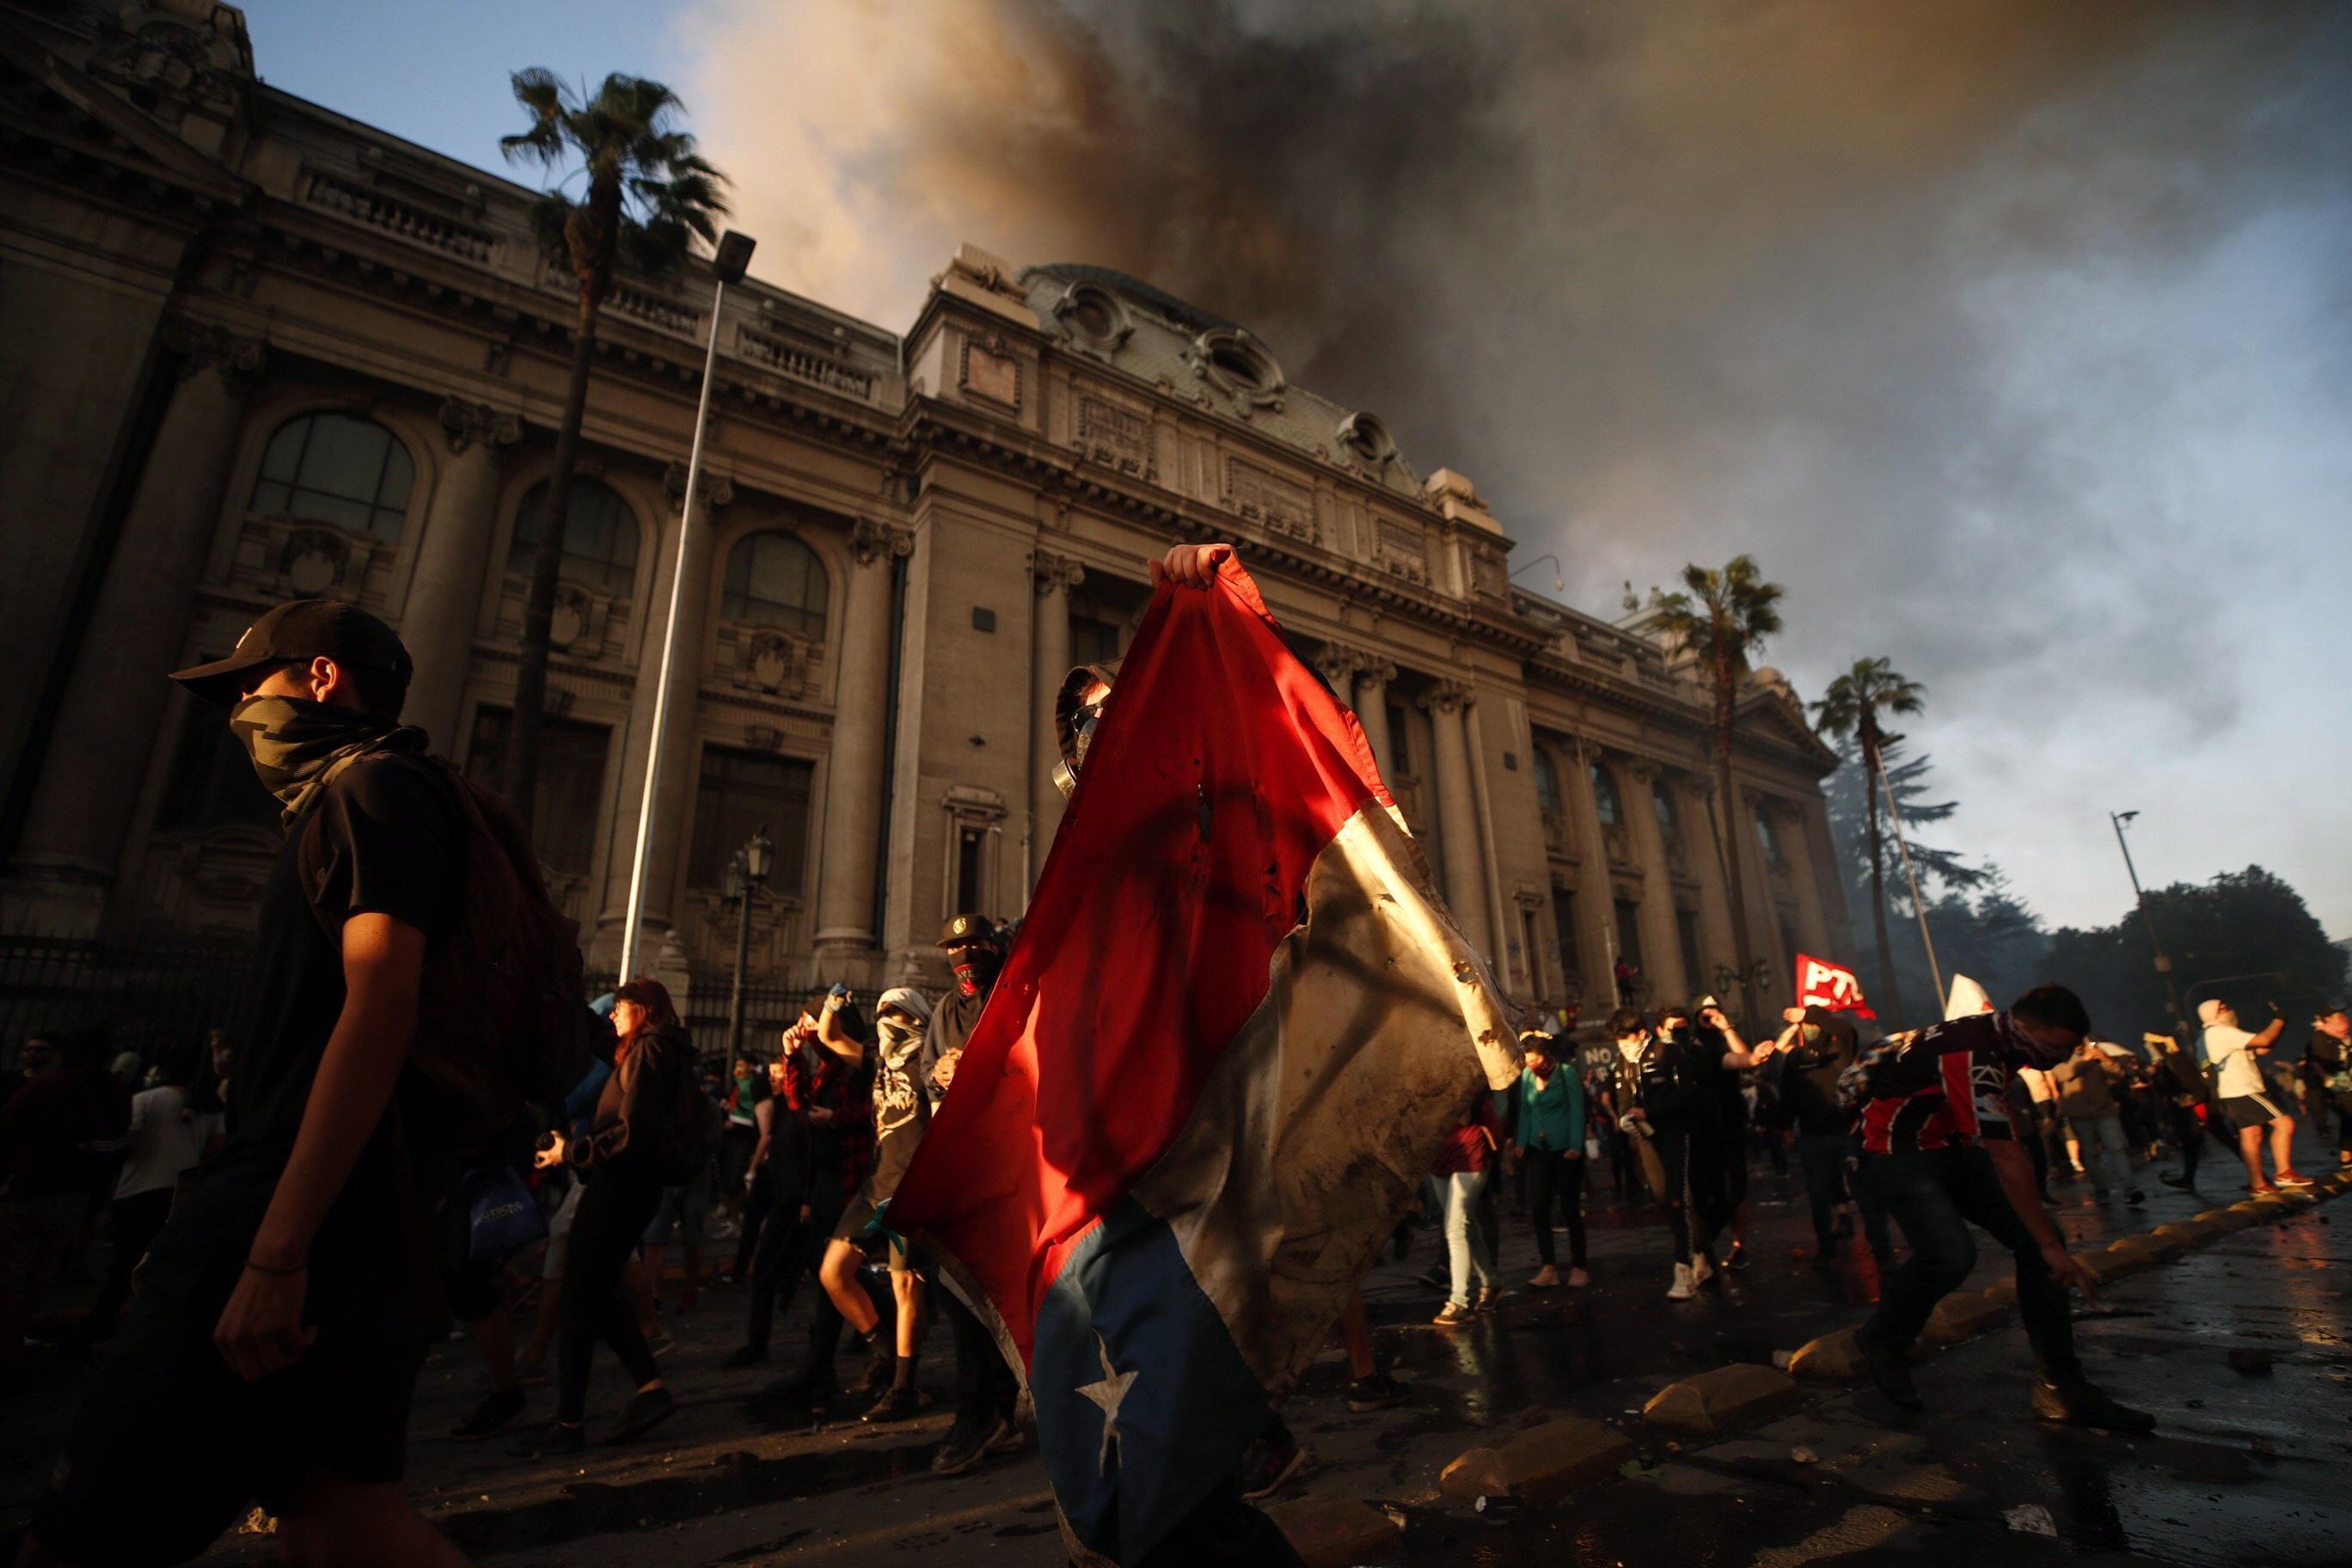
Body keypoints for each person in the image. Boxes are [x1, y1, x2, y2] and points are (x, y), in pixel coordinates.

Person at [27, 597, 471, 1567]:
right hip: (355, 1207)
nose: (238, 712)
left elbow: (379, 1005)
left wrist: (275, 1251)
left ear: (320, 679)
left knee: (82, 1532)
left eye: (249, 686)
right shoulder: (370, 794)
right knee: (344, 1520)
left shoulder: (373, 790)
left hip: (294, 1205)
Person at [1847, 984, 2153, 1432]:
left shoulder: (2003, 1040)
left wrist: (2047, 1243)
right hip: (1893, 1150)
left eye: (2068, 1050)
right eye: (2054, 1048)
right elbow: (2007, 1156)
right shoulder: (1974, 1054)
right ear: (2026, 1026)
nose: (2060, 1060)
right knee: (1952, 1255)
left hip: (1948, 1146)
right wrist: (2049, 1244)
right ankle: (1882, 1339)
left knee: (2040, 1244)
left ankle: (2061, 1387)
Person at [508, 979, 702, 1457]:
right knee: (592, 1294)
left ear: (644, 1009)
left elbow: (631, 1133)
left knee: (579, 1294)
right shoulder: (649, 1050)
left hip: (622, 1185)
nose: (614, 1016)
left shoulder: (651, 1052)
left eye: (620, 1008)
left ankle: (569, 1422)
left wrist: (569, 1153)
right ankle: (649, 1390)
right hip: (625, 1184)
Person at [921, 913, 1026, 1476]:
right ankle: (986, 1414)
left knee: (992, 1295)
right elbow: (925, 1075)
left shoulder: (1014, 995)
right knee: (960, 1294)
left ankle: (992, 1413)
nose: (964, 954)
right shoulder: (944, 1011)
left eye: (974, 944)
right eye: (954, 946)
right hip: (965, 1165)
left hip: (1013, 1165)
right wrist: (941, 1071)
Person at [814, 986, 935, 1421]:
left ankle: (905, 1386)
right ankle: (885, 1353)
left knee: (907, 1287)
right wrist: (834, 1006)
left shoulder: (928, 1060)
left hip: (914, 1187)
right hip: (876, 1186)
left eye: (895, 1011)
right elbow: (829, 1038)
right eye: (881, 1010)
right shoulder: (879, 1061)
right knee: (833, 1272)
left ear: (916, 1017)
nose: (886, 1018)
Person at [68, 1043, 224, 1353]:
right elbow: (214, 1151)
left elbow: (128, 1142)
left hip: (138, 1191)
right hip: (179, 1193)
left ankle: (97, 1331)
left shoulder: (145, 1099)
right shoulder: (210, 1106)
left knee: (123, 1267)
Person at [763, 985, 876, 1407]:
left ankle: (849, 1349)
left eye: (809, 1021)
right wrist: (791, 1056)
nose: (804, 1028)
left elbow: (875, 1107)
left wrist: (838, 1119)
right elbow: (797, 1103)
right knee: (828, 1269)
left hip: (851, 1178)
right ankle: (837, 1352)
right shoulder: (828, 1067)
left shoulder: (855, 1060)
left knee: (838, 1271)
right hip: (827, 1177)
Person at [0, 1029, 130, 1387]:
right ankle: (15, 1351)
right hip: (75, 1198)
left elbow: (7, 1127)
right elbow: (119, 1142)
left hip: (29, 1192)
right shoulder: (115, 1092)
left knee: (10, 1277)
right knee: (38, 1276)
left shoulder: (47, 1088)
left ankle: (8, 1355)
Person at [1764, 1005, 1893, 1271]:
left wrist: (1808, 1014)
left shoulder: (1842, 1052)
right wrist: (1785, 1126)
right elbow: (1788, 1095)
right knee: (1818, 1194)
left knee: (1864, 1191)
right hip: (1812, 1135)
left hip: (1846, 1132)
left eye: (1814, 1025)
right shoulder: (1796, 1059)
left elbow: (1846, 1029)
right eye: (1806, 1026)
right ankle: (1826, 1245)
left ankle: (1882, 1249)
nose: (1810, 1030)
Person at [1607, 1008, 1723, 1299]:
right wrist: (1624, 1118)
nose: (1623, 1045)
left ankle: (1683, 1269)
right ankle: (1702, 1253)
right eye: (1618, 1040)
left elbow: (1686, 1095)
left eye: (1626, 1038)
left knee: (1676, 1197)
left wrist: (1650, 1111)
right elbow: (1622, 1095)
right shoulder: (1623, 1062)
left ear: (1642, 1034)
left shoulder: (1666, 1053)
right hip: (1646, 1137)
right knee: (1663, 1198)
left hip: (1674, 1132)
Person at [724, 1057, 815, 1367]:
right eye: (773, 1073)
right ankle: (757, 1344)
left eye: (782, 1073)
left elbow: (811, 1158)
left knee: (827, 1273)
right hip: (782, 1200)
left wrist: (807, 1200)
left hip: (797, 1204)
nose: (775, 1078)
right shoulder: (777, 1109)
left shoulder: (801, 1113)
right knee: (765, 1273)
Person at [2197, 998, 2308, 1191]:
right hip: (2243, 1089)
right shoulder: (2220, 1032)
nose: (2230, 1010)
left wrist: (2278, 1026)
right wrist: (2279, 1020)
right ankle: (2285, 1172)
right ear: (2213, 1014)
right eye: (2224, 1008)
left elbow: (2263, 1048)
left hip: (2231, 1091)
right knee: (2285, 1124)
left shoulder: (2217, 1033)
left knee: (2251, 1134)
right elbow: (2265, 1040)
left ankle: (2258, 1183)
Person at [1509, 1029, 1589, 1289]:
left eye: (1534, 1060)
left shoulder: (1565, 1074)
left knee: (1569, 1208)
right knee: (1540, 1207)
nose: (1531, 1065)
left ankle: (1579, 1266)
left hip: (1564, 1148)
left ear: (1545, 1056)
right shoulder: (1527, 1077)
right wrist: (1521, 1141)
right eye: (1527, 1061)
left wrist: (1576, 1145)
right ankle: (1549, 1267)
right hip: (1537, 1149)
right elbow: (1526, 1111)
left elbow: (1578, 1110)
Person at [1430, 1091, 1503, 1325]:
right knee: (1465, 1227)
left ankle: (1460, 1302)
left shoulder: (1461, 1077)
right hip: (1439, 1158)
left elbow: (1470, 1112)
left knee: (1455, 1229)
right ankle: (1491, 1282)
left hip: (1470, 1154)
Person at [2049, 1040, 2143, 1206]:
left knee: (2117, 1148)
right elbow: (2065, 1074)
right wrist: (2085, 1059)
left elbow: (2117, 1076)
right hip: (2079, 1113)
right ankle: (2100, 1187)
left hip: (2104, 1110)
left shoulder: (2096, 1053)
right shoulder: (2060, 1055)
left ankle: (2130, 1188)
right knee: (2090, 1152)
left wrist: (2106, 1059)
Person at [2306, 1007, 2352, 1167]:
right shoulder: (2319, 1038)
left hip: (2347, 1082)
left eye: (2343, 1018)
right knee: (2349, 1115)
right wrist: (2326, 1079)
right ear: (2326, 1021)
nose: (2343, 1022)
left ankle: (2346, 1154)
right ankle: (2346, 1155)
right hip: (2336, 1085)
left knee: (2348, 1117)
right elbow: (2315, 1061)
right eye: (2338, 1019)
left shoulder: (2341, 1038)